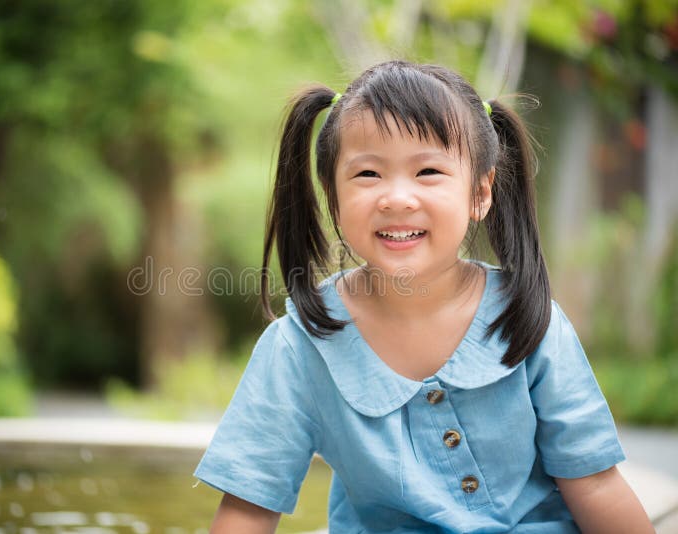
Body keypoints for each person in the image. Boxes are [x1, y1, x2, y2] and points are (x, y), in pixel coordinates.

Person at [193, 60, 653, 533]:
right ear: (333, 196)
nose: (396, 197)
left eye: (428, 171)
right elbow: (248, 509)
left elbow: (595, 484)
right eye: (368, 174)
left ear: (480, 192)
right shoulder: (298, 347)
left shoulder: (528, 318)